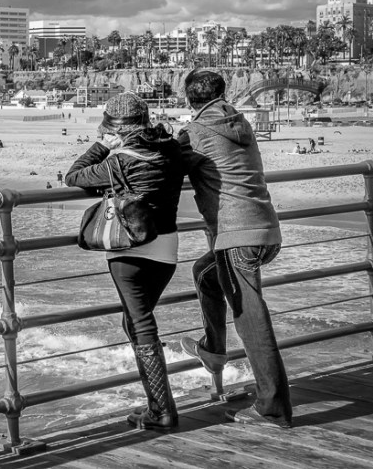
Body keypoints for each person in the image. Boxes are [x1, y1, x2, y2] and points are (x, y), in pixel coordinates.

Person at [177, 69, 292, 429]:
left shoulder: (195, 134)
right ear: (222, 93)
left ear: (187, 98)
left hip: (236, 237)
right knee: (204, 274)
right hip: (266, 230)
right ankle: (213, 349)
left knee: (252, 322)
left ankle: (273, 409)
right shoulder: (240, 123)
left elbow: (162, 168)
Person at [65, 92, 184, 431]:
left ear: (112, 127)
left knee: (141, 325)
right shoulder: (172, 150)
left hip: (129, 248)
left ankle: (162, 411)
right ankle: (156, 405)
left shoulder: (118, 161)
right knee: (134, 323)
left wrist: (102, 145)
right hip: (167, 247)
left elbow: (74, 176)